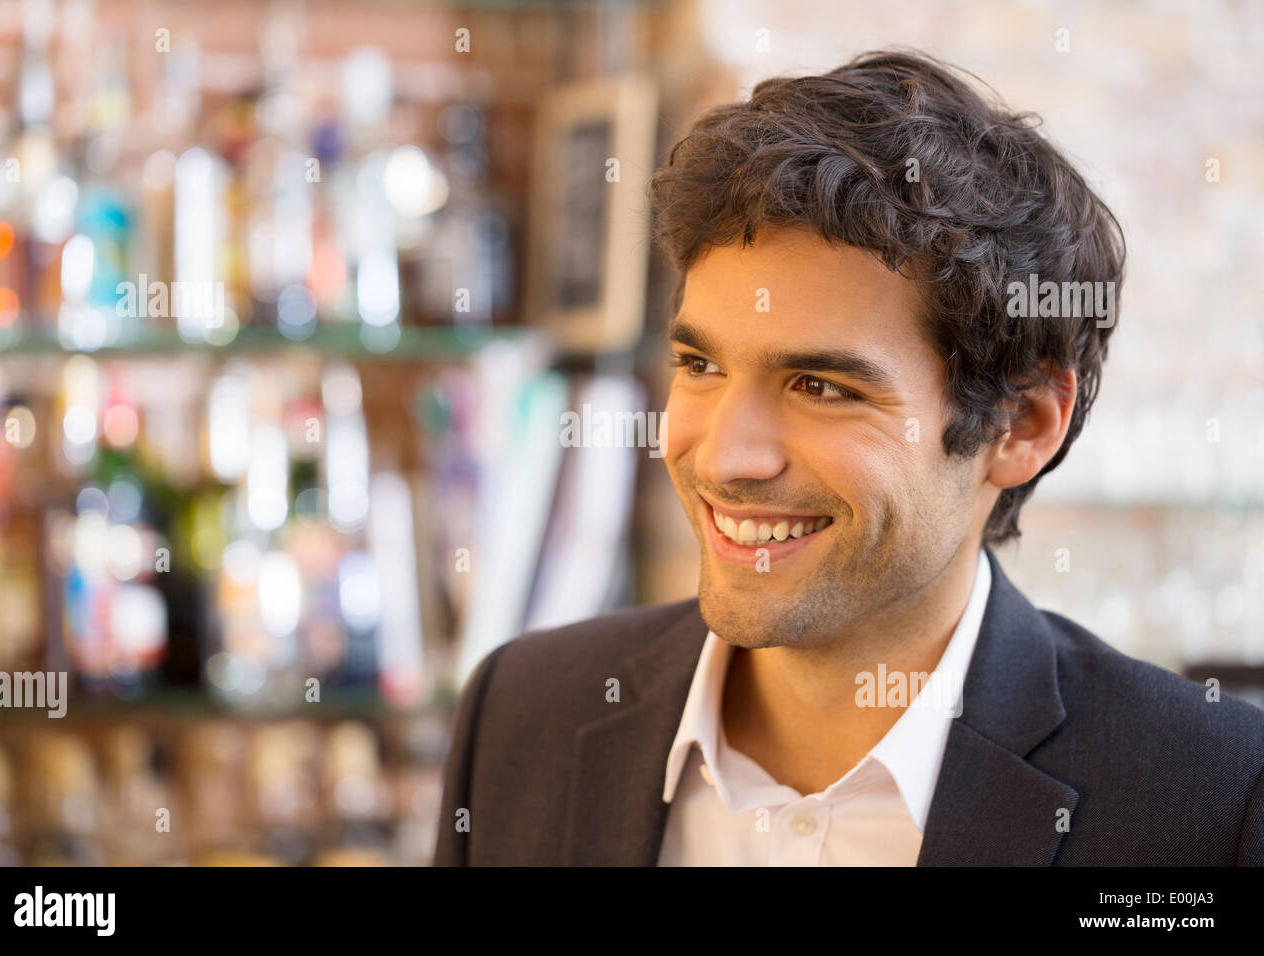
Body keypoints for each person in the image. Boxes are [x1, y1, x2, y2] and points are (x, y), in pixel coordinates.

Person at [433, 50, 1264, 866]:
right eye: (701, 367)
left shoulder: (1214, 799)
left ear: (1021, 426)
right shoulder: (520, 715)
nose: (726, 455)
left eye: (820, 386)